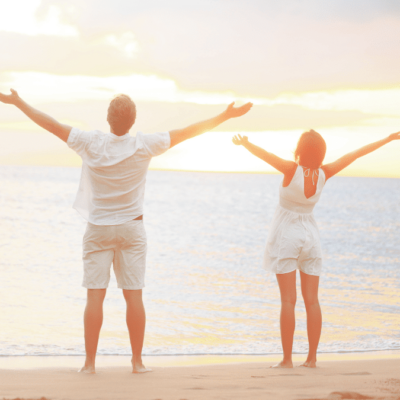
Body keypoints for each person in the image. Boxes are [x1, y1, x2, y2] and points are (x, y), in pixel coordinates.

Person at [0, 88, 252, 374]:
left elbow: (50, 124)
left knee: (95, 296)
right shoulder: (144, 145)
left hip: (98, 229)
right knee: (134, 296)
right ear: (132, 121)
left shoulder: (90, 142)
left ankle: (89, 364)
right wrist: (226, 115)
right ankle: (137, 362)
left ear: (108, 119)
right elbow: (188, 132)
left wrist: (18, 101)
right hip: (132, 228)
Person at [232, 129, 399, 368]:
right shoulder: (325, 173)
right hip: (311, 236)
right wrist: (388, 139)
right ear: (321, 154)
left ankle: (287, 360)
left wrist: (246, 143)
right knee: (312, 301)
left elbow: (266, 156)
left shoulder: (291, 170)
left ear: (299, 151)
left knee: (288, 301)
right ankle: (311, 359)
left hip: (287, 235)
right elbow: (356, 154)